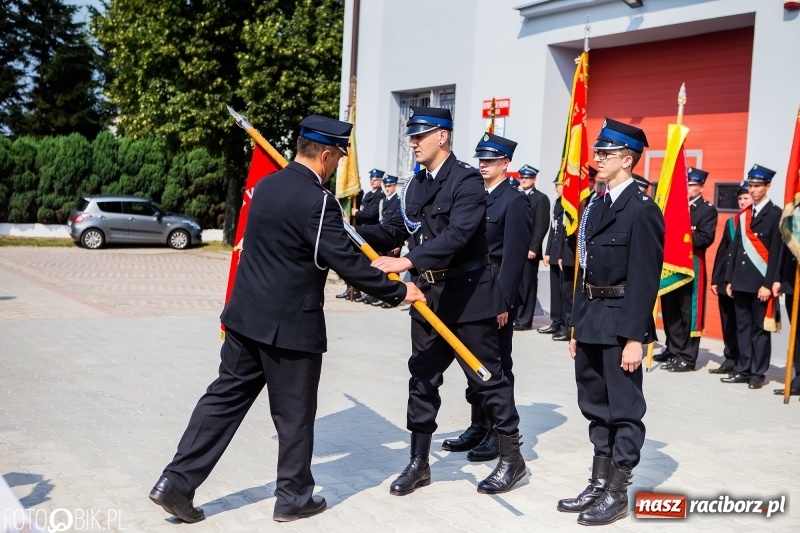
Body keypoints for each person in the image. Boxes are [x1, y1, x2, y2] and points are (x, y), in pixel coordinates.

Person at [148, 115, 425, 524]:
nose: (335, 168)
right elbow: (344, 263)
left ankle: (175, 482)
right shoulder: (318, 201)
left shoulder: (267, 186)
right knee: (294, 415)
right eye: (337, 159)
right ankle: (293, 497)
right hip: (291, 329)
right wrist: (400, 289)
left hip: (245, 319)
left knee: (221, 402)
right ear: (327, 154)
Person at [359, 106, 526, 495]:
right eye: (411, 136)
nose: (413, 142)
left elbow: (459, 234)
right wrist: (345, 228)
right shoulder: (416, 185)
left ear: (443, 137)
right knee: (422, 378)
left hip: (468, 295)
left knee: (486, 377)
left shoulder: (466, 181)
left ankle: (511, 458)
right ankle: (419, 462)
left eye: (420, 136)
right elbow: (393, 229)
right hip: (428, 296)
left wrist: (408, 260)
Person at [559, 118, 664, 526]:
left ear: (627, 159)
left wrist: (636, 338)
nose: (597, 158)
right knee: (594, 406)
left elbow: (643, 279)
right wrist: (574, 327)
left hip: (621, 323)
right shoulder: (595, 205)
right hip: (590, 321)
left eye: (606, 153)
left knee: (623, 409)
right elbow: (584, 274)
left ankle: (617, 491)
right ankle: (598, 482)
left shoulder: (642, 210)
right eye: (598, 152)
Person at [442, 133, 531, 462]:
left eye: (491, 160)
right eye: (481, 158)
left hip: (494, 294)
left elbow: (513, 258)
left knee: (497, 366)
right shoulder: (475, 196)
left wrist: (503, 303)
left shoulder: (514, 200)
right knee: (472, 363)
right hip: (470, 290)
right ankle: (478, 425)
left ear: (506, 163)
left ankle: (498, 432)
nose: (483, 164)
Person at [722, 165, 782, 390]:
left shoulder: (775, 214)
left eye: (757, 186)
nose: (753, 190)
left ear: (768, 186)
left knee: (759, 330)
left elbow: (776, 253)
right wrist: (729, 279)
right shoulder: (745, 215)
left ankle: (757, 373)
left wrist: (769, 284)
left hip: (760, 284)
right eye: (751, 186)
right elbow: (736, 249)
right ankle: (743, 368)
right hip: (740, 281)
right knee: (742, 328)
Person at [659, 167, 719, 372]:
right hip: (672, 265)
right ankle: (673, 349)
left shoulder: (707, 210)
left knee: (689, 312)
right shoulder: (676, 207)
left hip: (692, 265)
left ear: (701, 186)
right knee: (670, 309)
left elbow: (705, 238)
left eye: (692, 184)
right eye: (686, 184)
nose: (688, 188)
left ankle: (688, 356)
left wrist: (680, 236)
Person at [709, 181, 751, 374]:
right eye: (740, 198)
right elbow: (722, 252)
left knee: (743, 325)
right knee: (728, 322)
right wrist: (716, 280)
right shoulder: (732, 222)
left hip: (742, 282)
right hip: (725, 279)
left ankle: (744, 363)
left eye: (746, 198)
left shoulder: (754, 222)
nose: (742, 202)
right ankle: (730, 358)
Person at [515, 164, 551, 331]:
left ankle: (525, 319)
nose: (523, 180)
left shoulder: (540, 198)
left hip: (529, 251)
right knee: (516, 285)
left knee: (527, 285)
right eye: (521, 177)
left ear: (534, 179)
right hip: (515, 250)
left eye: (527, 177)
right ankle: (517, 316)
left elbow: (541, 226)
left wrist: (534, 248)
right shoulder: (516, 194)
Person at [357, 175, 403, 309]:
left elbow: (399, 225)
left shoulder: (398, 201)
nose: (387, 188)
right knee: (382, 269)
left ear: (395, 186)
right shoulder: (383, 201)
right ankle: (385, 296)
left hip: (393, 240)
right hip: (383, 238)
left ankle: (395, 296)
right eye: (386, 186)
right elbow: (381, 221)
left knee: (394, 271)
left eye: (390, 186)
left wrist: (398, 244)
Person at [537, 176, 566, 335]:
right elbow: (553, 229)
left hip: (564, 254)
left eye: (558, 185)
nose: (555, 188)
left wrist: (561, 254)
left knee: (564, 291)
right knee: (555, 290)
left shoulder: (569, 205)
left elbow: (565, 233)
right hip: (555, 252)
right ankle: (556, 322)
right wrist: (548, 252)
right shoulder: (557, 203)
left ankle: (564, 325)